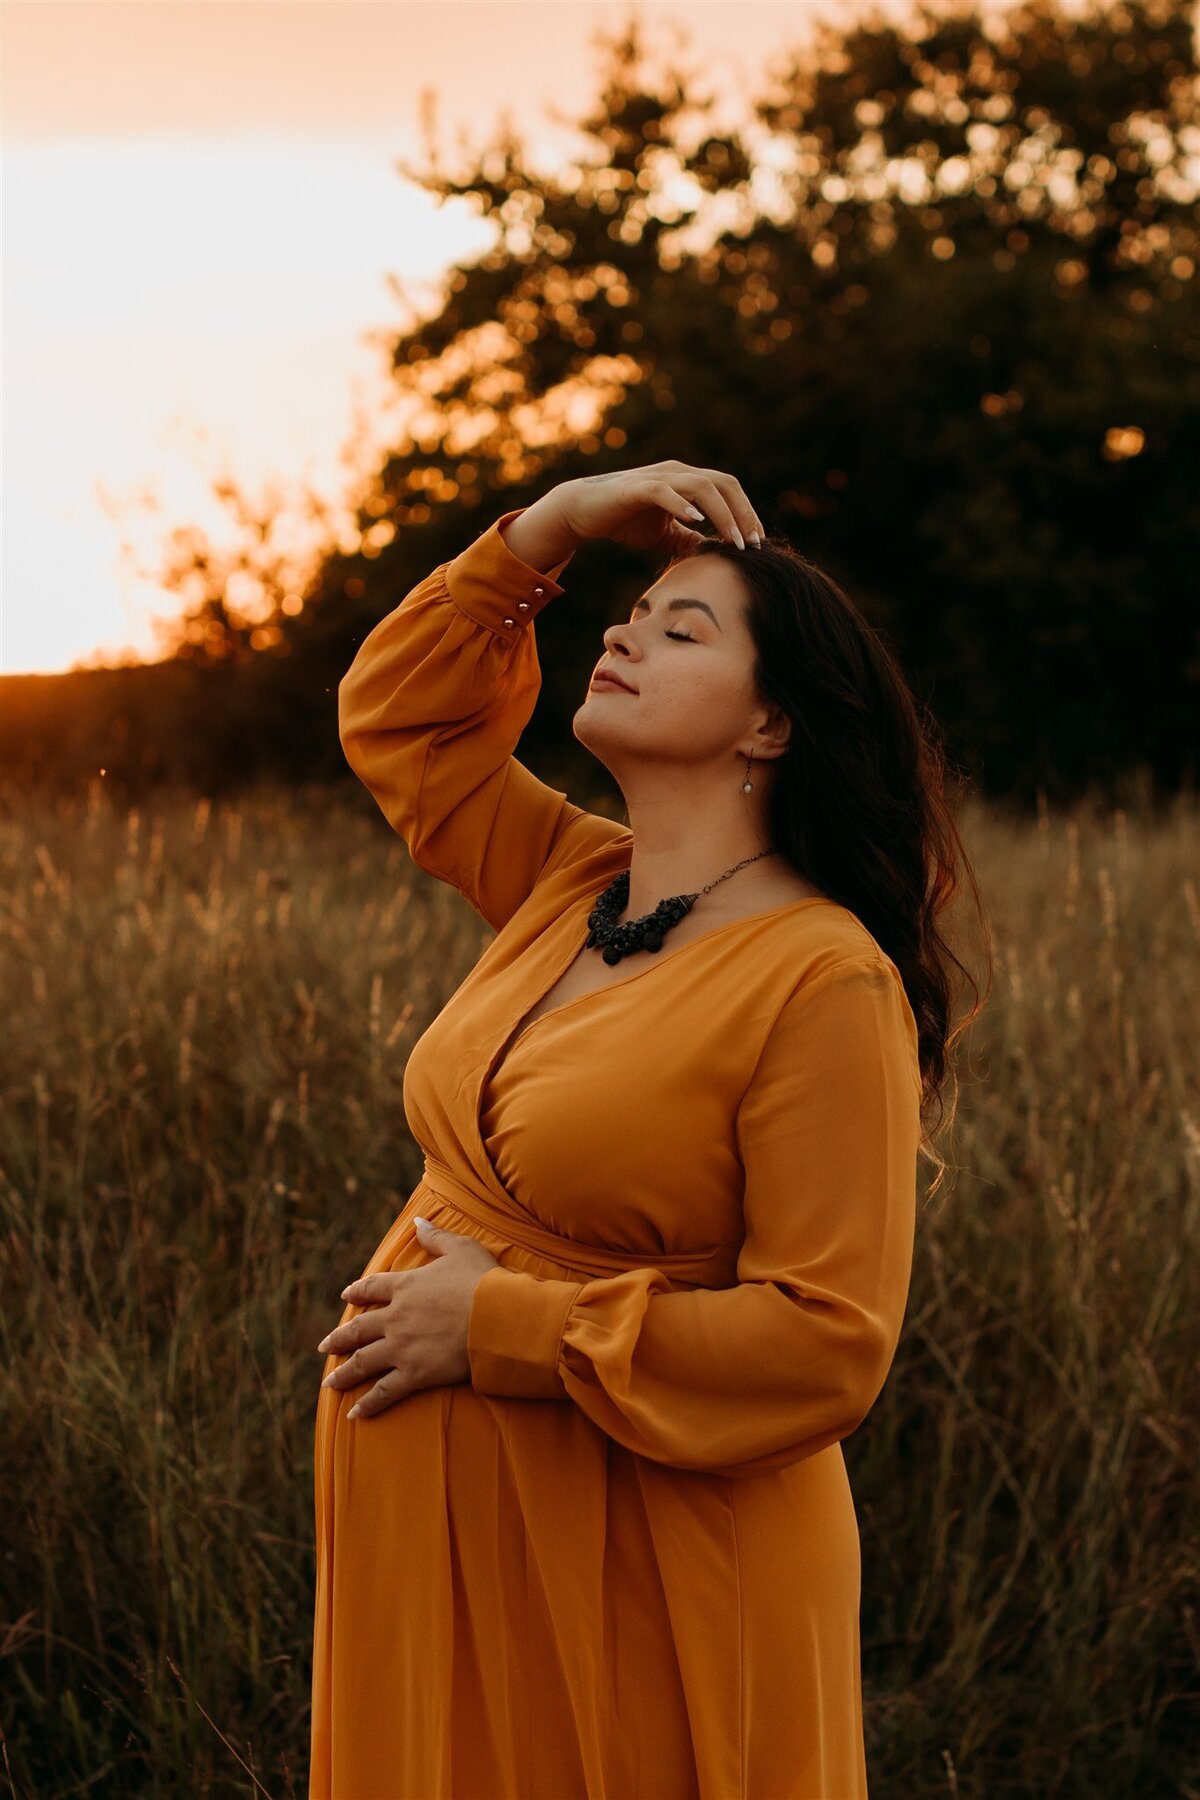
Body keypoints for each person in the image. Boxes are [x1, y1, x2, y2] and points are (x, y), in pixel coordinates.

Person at [309, 461, 984, 1798]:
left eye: (683, 629)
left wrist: (500, 1325)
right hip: (448, 1552)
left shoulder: (823, 981)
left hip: (643, 1564)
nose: (621, 632)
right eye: (633, 612)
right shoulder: (576, 881)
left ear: (773, 725)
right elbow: (401, 723)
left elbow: (826, 1342)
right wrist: (550, 526)